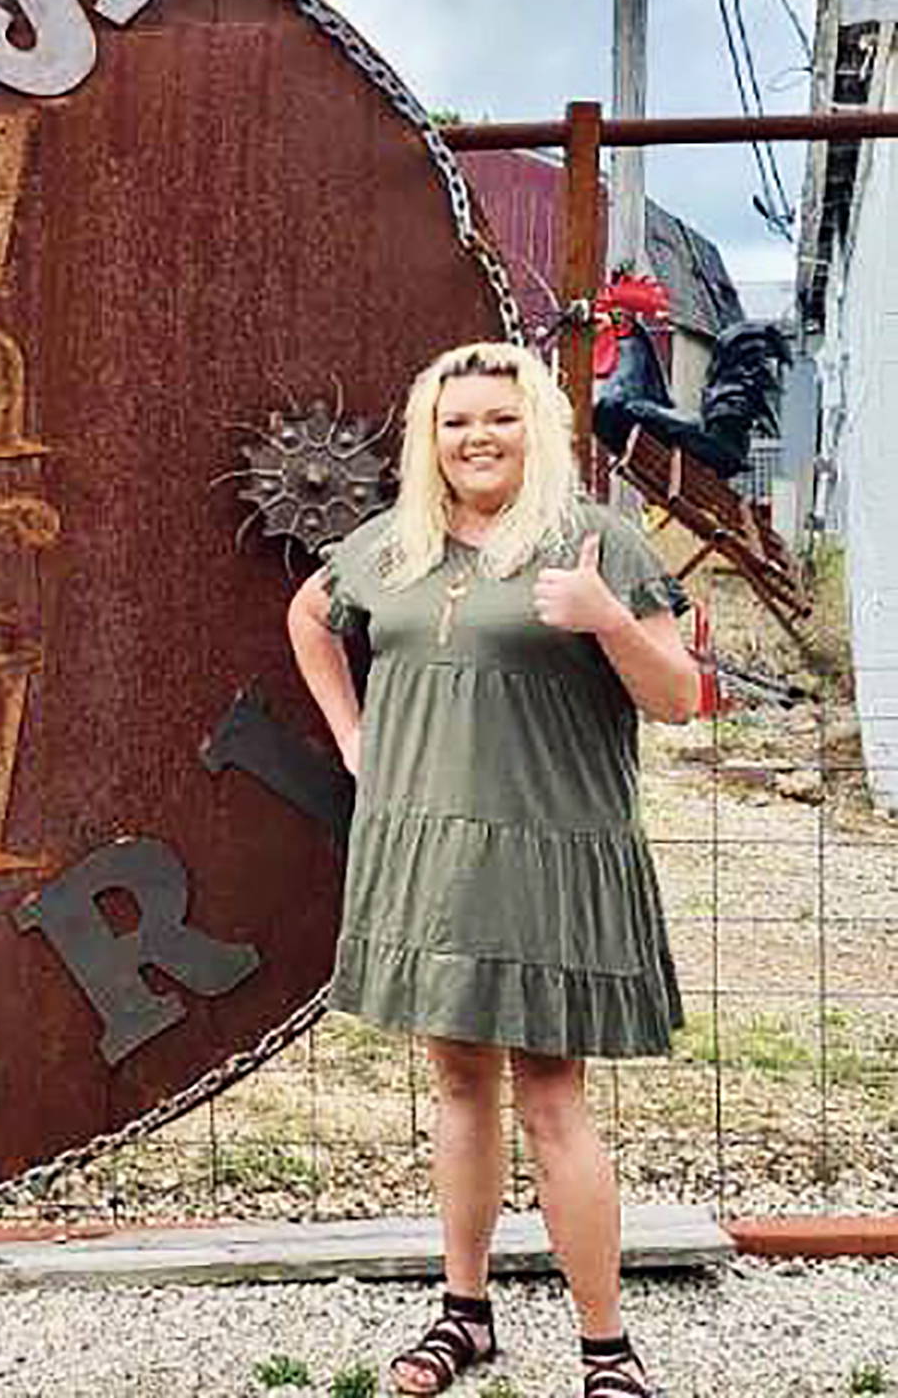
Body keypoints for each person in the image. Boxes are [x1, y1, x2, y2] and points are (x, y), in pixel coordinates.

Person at [285, 341, 700, 1398]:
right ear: (431, 435)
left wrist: (608, 621)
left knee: (554, 1094)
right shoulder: (399, 543)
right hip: (427, 848)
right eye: (457, 420)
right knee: (457, 1083)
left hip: (549, 848)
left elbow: (680, 697)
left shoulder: (594, 540)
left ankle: (608, 1350)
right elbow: (309, 616)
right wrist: (353, 736)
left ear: (541, 429)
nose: (478, 437)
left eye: (501, 419)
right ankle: (462, 1315)